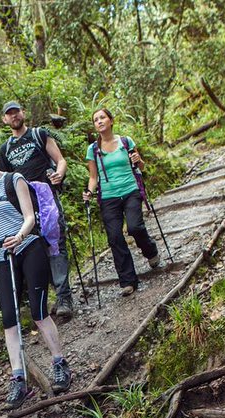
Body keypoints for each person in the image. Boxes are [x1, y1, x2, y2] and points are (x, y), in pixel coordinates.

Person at [0, 142, 74, 410]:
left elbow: (29, 217)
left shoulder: (14, 180)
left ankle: (59, 363)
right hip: (3, 257)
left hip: (29, 248)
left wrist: (20, 236)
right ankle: (18, 378)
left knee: (38, 311)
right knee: (9, 319)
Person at [0, 101, 76, 321]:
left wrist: (58, 174)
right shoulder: (5, 149)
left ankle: (64, 297)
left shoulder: (39, 134)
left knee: (55, 242)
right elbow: (6, 180)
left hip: (47, 197)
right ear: (4, 120)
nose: (13, 116)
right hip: (24, 204)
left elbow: (60, 160)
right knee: (37, 248)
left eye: (16, 112)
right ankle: (53, 296)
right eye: (9, 114)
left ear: (23, 113)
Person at [84, 108, 161, 297]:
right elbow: (93, 177)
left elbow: (140, 166)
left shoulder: (126, 142)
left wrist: (138, 159)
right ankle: (128, 281)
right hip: (109, 196)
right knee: (115, 237)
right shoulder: (93, 149)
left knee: (135, 227)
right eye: (96, 120)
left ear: (111, 120)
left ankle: (150, 251)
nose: (99, 121)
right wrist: (89, 191)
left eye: (102, 117)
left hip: (130, 190)